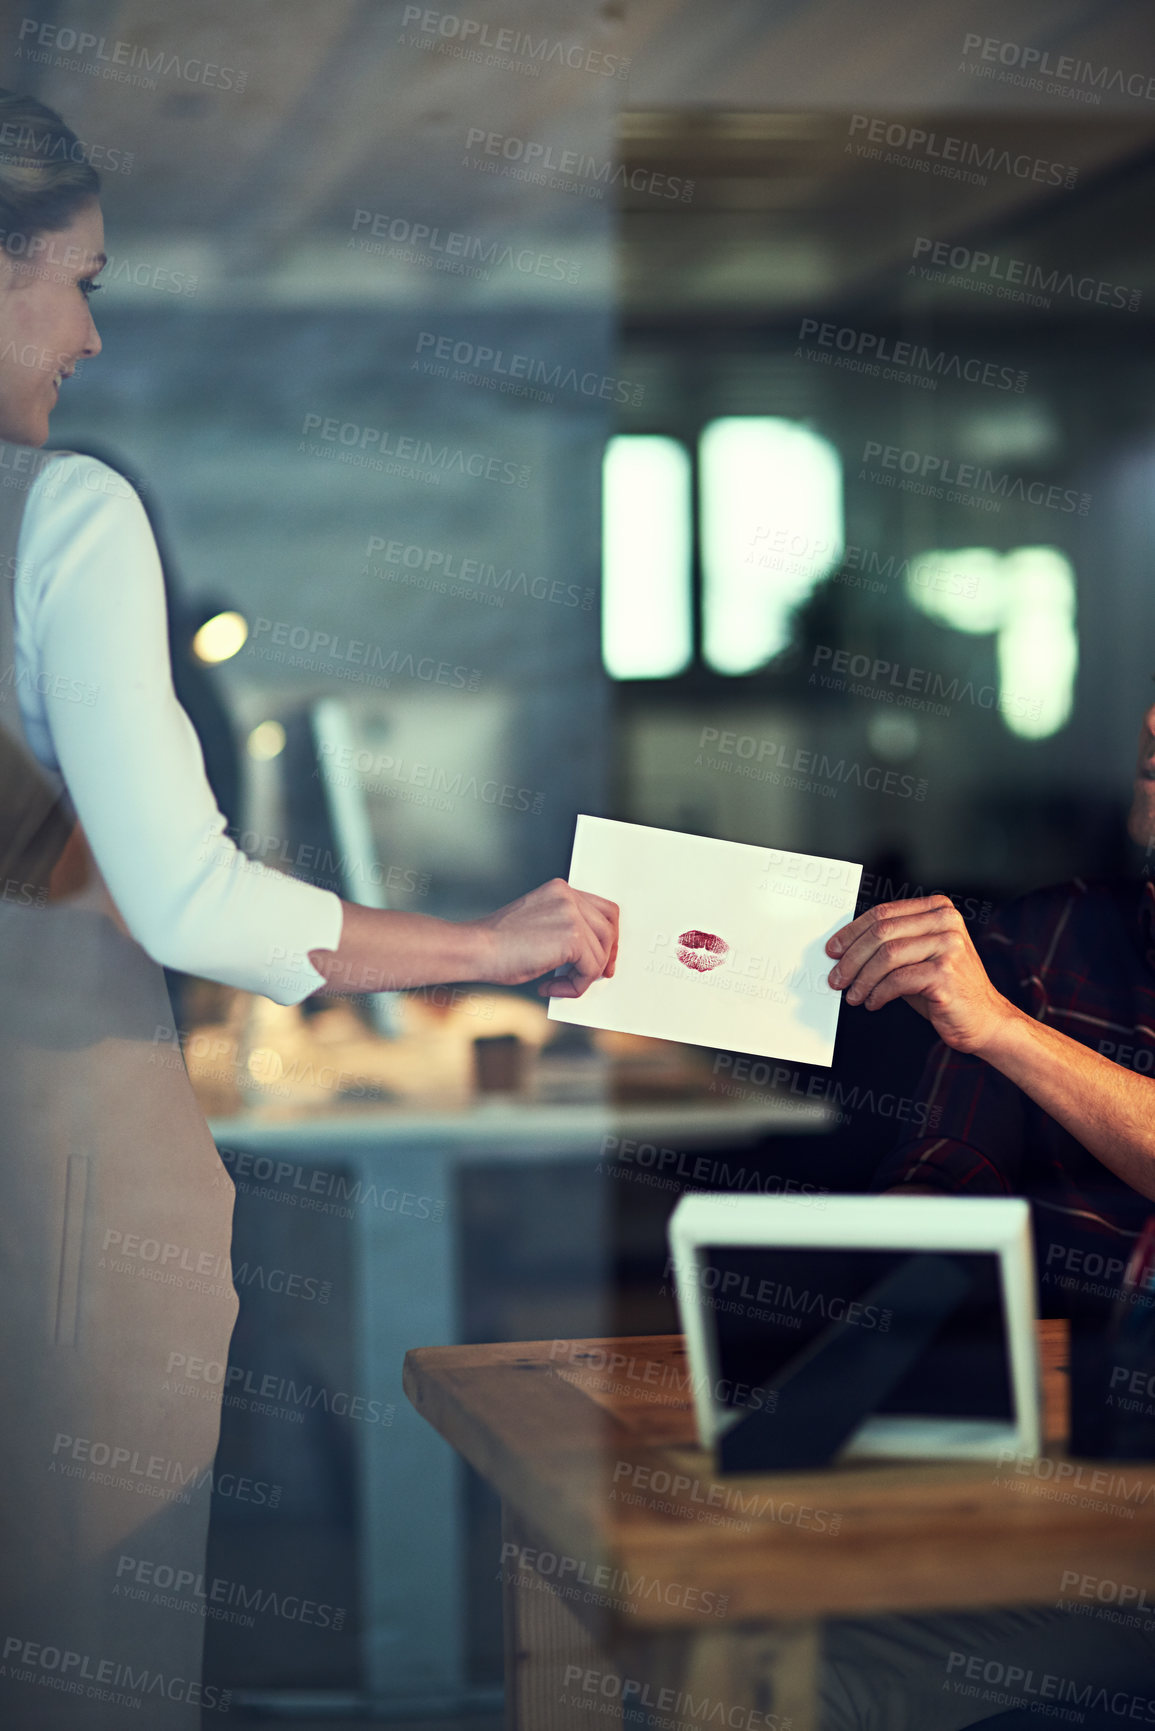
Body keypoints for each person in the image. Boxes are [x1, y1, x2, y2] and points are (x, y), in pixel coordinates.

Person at [0, 90, 616, 1729]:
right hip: (49, 1173)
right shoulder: (64, 515)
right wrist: (497, 945)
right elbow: (193, 901)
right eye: (83, 284)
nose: (92, 340)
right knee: (76, 1661)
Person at [811, 705, 1155, 1727]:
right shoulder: (1049, 935)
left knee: (820, 1682)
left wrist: (1004, 1030)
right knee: (689, 1621)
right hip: (1043, 1455)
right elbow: (949, 1160)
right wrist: (899, 1267)